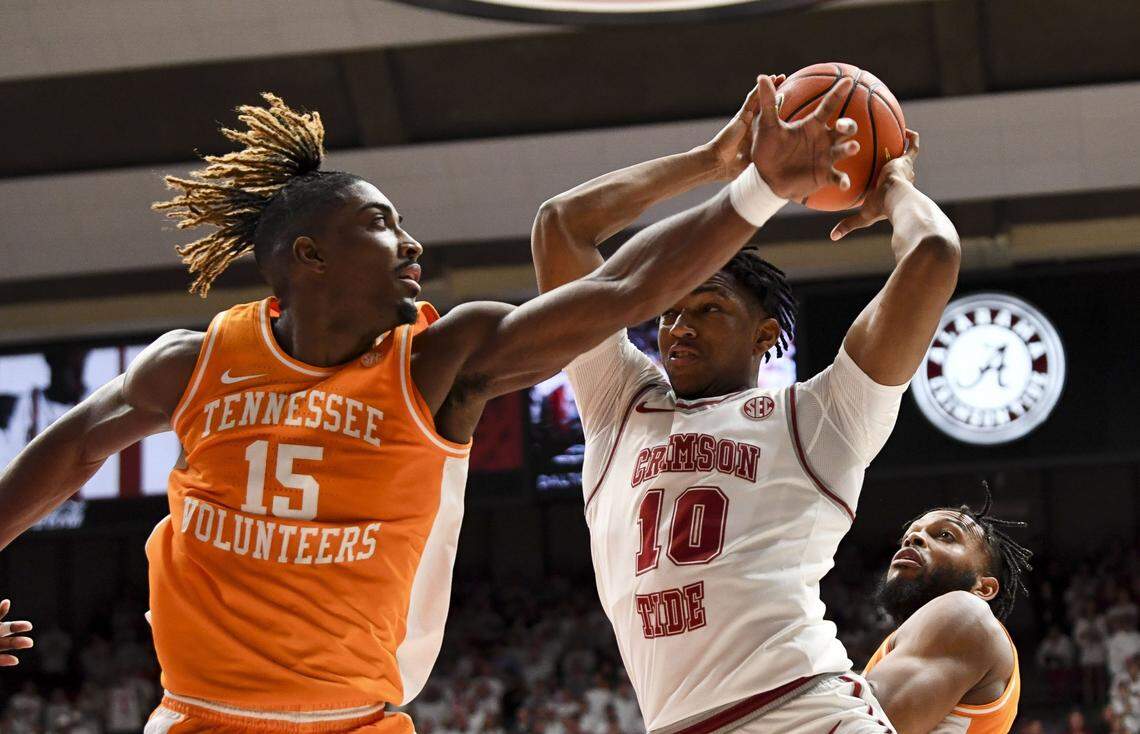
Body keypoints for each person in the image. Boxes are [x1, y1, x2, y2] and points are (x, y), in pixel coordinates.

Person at [0, 79, 851, 734]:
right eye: (380, 223)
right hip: (196, 713)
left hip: (353, 718)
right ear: (309, 257)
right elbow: (72, 447)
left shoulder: (444, 360)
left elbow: (623, 286)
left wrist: (753, 189)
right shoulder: (198, 362)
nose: (412, 244)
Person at [531, 72, 960, 732]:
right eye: (670, 312)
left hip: (805, 712)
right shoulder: (622, 407)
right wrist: (716, 162)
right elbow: (561, 227)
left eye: (708, 309)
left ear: (766, 335)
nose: (679, 327)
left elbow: (932, 255)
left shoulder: (818, 417)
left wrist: (895, 186)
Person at [862, 488, 1033, 734]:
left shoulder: (967, 613)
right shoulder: (927, 642)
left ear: (983, 587)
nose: (913, 539)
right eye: (908, 537)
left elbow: (861, 724)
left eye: (945, 535)